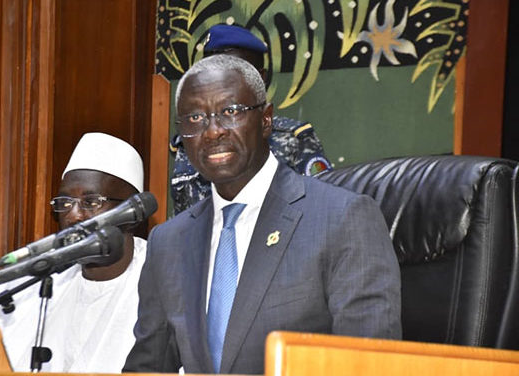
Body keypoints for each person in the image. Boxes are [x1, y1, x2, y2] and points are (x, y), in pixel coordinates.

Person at [124, 55, 401, 374]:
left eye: (230, 112)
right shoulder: (168, 242)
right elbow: (148, 367)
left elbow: (368, 366)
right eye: (196, 118)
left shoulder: (342, 220)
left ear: (266, 119)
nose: (213, 132)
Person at [0, 133, 147, 373]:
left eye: (91, 202)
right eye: (64, 202)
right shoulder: (39, 272)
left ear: (132, 213)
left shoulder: (161, 277)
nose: (73, 215)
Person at [170, 24, 332, 215]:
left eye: (239, 71)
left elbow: (321, 211)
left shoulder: (293, 139)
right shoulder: (189, 143)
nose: (214, 132)